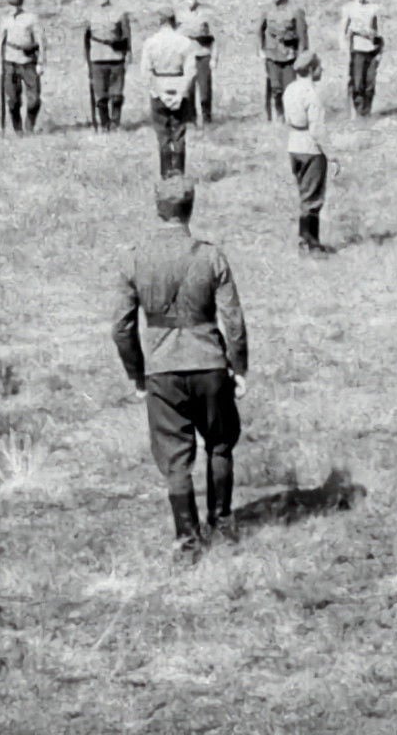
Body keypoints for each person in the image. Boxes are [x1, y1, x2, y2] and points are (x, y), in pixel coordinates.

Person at [111, 176, 250, 558]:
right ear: (190, 208)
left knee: (175, 460)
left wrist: (137, 374)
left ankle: (187, 541)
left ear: (158, 209)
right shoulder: (210, 256)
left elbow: (120, 327)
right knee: (220, 444)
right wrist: (239, 368)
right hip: (208, 364)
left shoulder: (134, 258)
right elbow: (234, 321)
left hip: (161, 370)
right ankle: (222, 523)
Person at [281, 51, 335, 255]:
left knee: (304, 195)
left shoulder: (290, 90)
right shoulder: (312, 94)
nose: (322, 70)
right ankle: (311, 243)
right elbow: (317, 130)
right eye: (319, 67)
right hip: (311, 149)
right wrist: (332, 155)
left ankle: (305, 241)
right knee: (313, 198)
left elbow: (287, 119)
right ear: (312, 70)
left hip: (293, 145)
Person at [141, 8, 200, 178]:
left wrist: (160, 93)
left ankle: (165, 174)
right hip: (179, 87)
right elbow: (191, 71)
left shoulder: (151, 42)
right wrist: (181, 94)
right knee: (179, 133)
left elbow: (146, 72)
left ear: (159, 22)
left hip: (158, 89)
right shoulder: (185, 42)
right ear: (173, 21)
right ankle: (179, 173)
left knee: (162, 134)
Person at [258, 0, 310, 121]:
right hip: (272, 54)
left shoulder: (295, 10)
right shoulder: (266, 10)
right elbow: (259, 31)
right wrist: (260, 49)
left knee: (289, 89)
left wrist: (301, 56)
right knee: (275, 88)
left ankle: (290, 116)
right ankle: (279, 114)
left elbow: (302, 35)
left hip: (289, 55)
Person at [84, 0, 134, 133]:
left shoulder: (120, 13)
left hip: (116, 58)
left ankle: (115, 123)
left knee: (117, 95)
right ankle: (104, 123)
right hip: (97, 59)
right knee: (101, 96)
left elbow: (126, 36)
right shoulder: (90, 14)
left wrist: (129, 53)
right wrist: (87, 61)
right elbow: (86, 40)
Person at [0, 0, 44, 134]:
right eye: (11, 5)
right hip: (10, 63)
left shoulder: (31, 19)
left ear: (21, 5)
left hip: (28, 62)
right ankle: (18, 129)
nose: (13, 8)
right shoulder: (6, 20)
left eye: (16, 5)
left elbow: (41, 41)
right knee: (13, 100)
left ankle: (30, 125)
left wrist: (41, 62)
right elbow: (0, 42)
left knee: (34, 99)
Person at [339, 0, 384, 117]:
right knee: (357, 83)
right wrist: (344, 49)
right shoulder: (348, 8)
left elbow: (379, 31)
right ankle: (358, 111)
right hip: (357, 50)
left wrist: (380, 51)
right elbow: (342, 31)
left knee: (370, 83)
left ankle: (367, 111)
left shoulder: (373, 8)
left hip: (371, 49)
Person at [175, 0, 219, 125]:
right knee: (188, 89)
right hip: (187, 55)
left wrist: (214, 57)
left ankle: (207, 118)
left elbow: (215, 37)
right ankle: (190, 118)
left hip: (203, 54)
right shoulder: (179, 14)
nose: (191, 1)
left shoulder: (207, 12)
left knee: (205, 89)